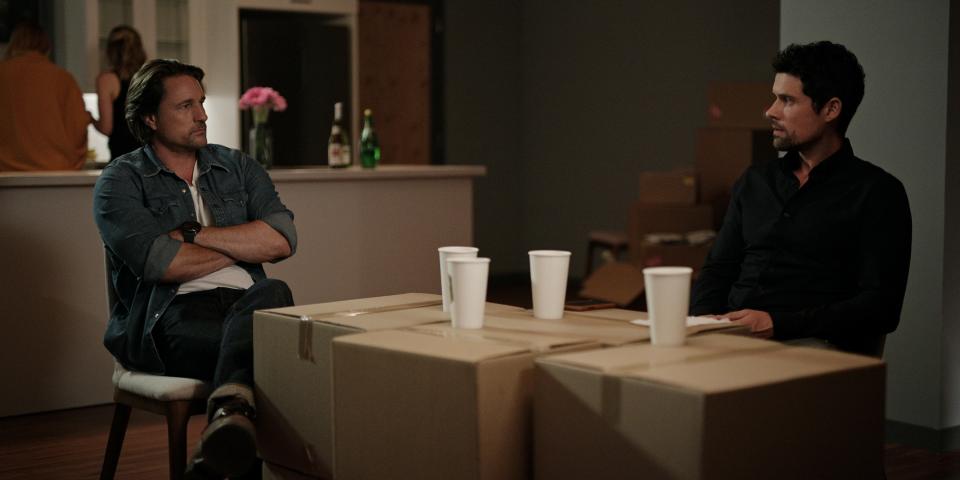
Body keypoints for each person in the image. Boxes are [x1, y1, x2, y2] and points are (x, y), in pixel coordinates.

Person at [93, 59, 297, 478]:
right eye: (186, 106)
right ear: (150, 118)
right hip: (171, 317)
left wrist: (192, 234)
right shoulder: (120, 181)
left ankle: (222, 435)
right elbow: (158, 264)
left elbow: (281, 239)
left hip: (246, 303)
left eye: (201, 103)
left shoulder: (237, 166)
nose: (203, 115)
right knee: (270, 356)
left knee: (273, 294)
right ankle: (227, 427)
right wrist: (243, 245)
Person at [690, 41, 912, 356]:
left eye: (787, 100)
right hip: (730, 340)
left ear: (831, 110)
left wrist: (777, 324)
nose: (770, 111)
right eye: (774, 98)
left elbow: (880, 307)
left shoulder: (878, 192)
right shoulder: (755, 181)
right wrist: (701, 323)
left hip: (813, 347)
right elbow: (718, 270)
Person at [0, 21, 90, 171]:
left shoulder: (3, 74)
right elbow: (78, 126)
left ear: (13, 44)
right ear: (47, 47)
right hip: (55, 171)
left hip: (5, 175)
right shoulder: (62, 78)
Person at [93, 25, 146, 160]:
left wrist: (90, 119)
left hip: (123, 159)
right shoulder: (151, 77)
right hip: (151, 159)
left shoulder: (107, 80)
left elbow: (106, 128)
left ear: (110, 51)